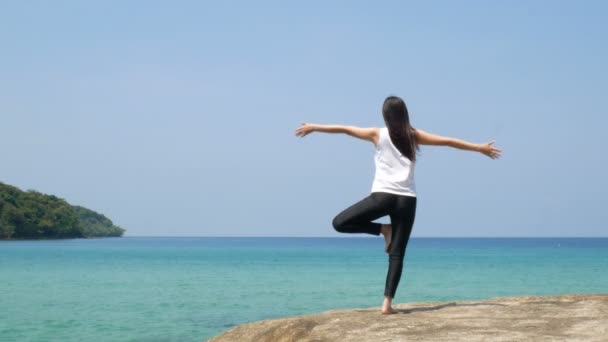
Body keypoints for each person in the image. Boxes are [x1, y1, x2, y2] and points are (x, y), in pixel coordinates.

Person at [294, 95, 501, 315]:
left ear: (385, 116)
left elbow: (346, 129)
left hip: (382, 197)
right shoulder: (414, 136)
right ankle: (387, 303)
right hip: (407, 200)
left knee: (339, 223)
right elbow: (449, 142)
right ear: (404, 114)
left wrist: (315, 127)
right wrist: (479, 147)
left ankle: (383, 232)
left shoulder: (377, 134)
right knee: (397, 253)